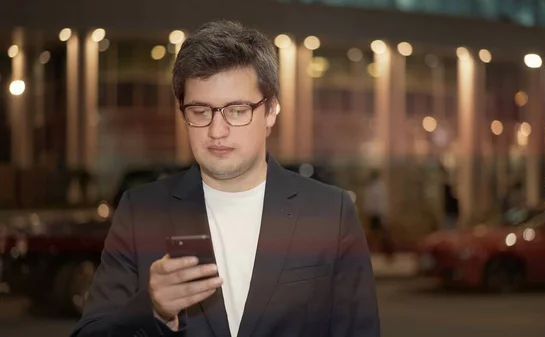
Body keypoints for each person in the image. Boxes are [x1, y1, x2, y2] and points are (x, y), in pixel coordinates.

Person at [71, 20, 380, 337]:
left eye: (236, 110)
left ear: (271, 110)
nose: (216, 131)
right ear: (183, 113)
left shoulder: (330, 212)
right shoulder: (140, 213)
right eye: (201, 111)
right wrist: (152, 307)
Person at [363, 169, 393, 261]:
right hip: (376, 213)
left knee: (380, 234)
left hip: (377, 213)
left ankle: (388, 253)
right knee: (376, 234)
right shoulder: (375, 187)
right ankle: (385, 253)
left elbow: (378, 203)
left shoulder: (377, 188)